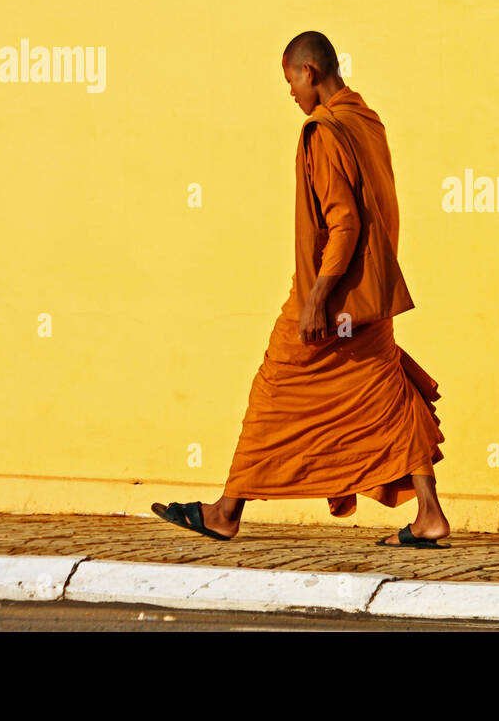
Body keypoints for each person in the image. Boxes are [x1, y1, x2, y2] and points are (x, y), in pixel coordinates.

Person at [152, 31, 449, 548]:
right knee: (388, 397)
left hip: (333, 295)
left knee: (274, 390)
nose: (290, 93)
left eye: (290, 81)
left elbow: (346, 224)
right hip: (372, 293)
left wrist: (316, 300)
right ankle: (429, 514)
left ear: (309, 73)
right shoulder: (366, 120)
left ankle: (225, 511)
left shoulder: (326, 131)